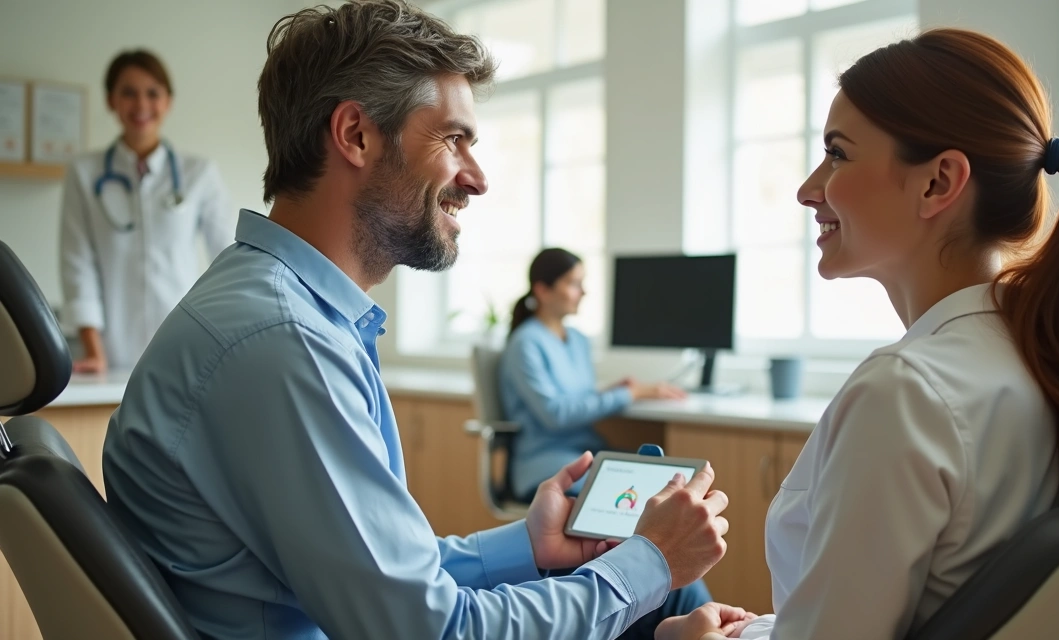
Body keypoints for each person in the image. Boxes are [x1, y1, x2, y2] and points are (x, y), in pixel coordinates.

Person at [102, 2, 732, 639]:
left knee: (680, 615)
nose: (478, 178)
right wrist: (649, 563)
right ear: (355, 135)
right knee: (678, 607)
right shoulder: (284, 342)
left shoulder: (278, 310)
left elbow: (386, 578)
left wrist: (529, 546)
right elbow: (429, 631)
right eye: (453, 138)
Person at [655, 28, 1059, 640]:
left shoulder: (907, 394)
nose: (808, 190)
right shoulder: (1038, 357)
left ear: (938, 182)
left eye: (838, 153)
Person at [59, 49, 232, 373]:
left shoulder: (199, 173)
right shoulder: (83, 173)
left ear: (168, 101)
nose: (141, 105)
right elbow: (77, 264)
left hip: (187, 346)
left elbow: (227, 261)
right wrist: (95, 352)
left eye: (153, 93)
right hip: (111, 353)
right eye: (128, 93)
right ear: (111, 100)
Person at [500, 247, 687, 500]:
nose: (584, 292)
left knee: (668, 477)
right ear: (542, 290)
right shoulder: (526, 343)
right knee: (645, 494)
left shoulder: (577, 339)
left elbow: (573, 397)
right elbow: (555, 414)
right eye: (574, 283)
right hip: (545, 464)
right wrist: (628, 394)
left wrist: (610, 391)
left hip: (587, 453)